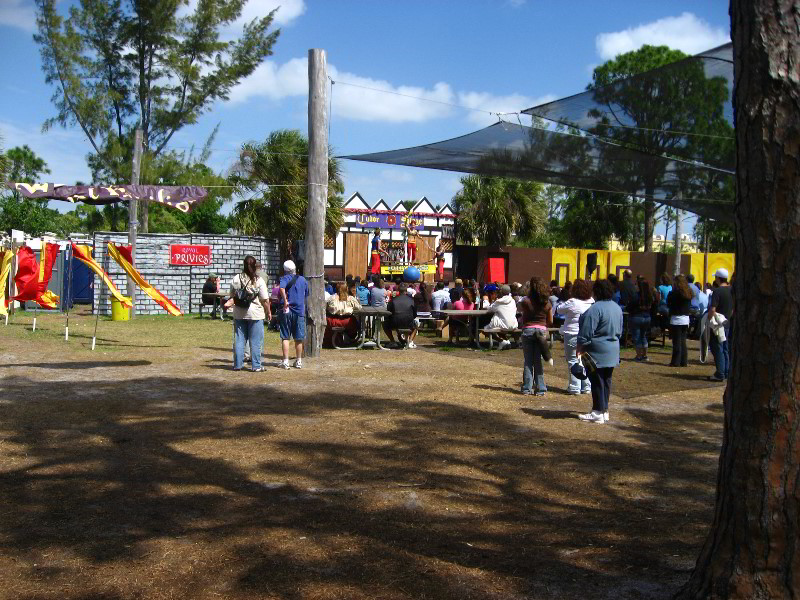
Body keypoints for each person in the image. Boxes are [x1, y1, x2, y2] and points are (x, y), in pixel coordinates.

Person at [576, 279, 623, 423]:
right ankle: (604, 410)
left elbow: (586, 332)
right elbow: (620, 330)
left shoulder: (595, 309)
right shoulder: (617, 307)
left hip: (595, 352)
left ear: (596, 292)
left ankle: (597, 411)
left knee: (596, 381)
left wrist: (580, 347)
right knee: (606, 381)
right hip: (613, 349)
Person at [229, 256, 271, 372]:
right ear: (255, 266)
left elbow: (232, 295)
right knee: (256, 341)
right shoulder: (258, 280)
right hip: (255, 313)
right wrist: (268, 311)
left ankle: (237, 365)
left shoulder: (236, 278)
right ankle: (256, 366)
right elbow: (265, 299)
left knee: (239, 339)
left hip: (239, 313)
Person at [557, 278, 594, 394]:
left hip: (572, 333)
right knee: (585, 360)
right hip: (587, 334)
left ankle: (574, 386)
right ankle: (587, 386)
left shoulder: (572, 301)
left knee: (573, 360)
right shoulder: (591, 301)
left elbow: (559, 310)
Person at [518, 277, 553, 396]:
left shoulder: (526, 301)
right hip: (541, 331)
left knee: (528, 361)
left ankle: (527, 388)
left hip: (528, 330)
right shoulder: (547, 303)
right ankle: (541, 388)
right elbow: (550, 320)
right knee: (538, 360)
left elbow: (523, 315)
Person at [278, 259, 308, 369]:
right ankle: (298, 360)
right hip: (299, 311)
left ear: (285, 270)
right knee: (298, 338)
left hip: (287, 310)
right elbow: (306, 294)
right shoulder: (303, 280)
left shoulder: (284, 278)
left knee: (285, 336)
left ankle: (285, 361)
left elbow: (281, 288)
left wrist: (285, 300)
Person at [708, 268, 733, 381]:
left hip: (717, 323)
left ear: (718, 278)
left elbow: (713, 309)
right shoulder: (732, 290)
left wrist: (708, 320)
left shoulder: (717, 291)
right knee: (725, 348)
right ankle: (727, 371)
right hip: (727, 322)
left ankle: (720, 373)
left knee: (717, 348)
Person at [667, 274, 693, 367]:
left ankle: (675, 361)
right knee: (683, 341)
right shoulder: (689, 292)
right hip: (686, 319)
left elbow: (669, 303)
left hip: (676, 319)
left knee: (676, 342)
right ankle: (683, 361)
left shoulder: (674, 293)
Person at [628, 278, 656, 362]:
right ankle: (645, 355)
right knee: (643, 336)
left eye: (636, 284)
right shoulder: (650, 296)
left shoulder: (636, 296)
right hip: (647, 317)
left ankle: (638, 355)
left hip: (636, 317)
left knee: (637, 337)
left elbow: (629, 307)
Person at [325, 282, 361, 346]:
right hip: (347, 322)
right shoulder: (351, 299)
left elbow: (325, 308)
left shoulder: (331, 298)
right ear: (347, 289)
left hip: (333, 321)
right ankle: (350, 338)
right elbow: (359, 308)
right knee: (355, 321)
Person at [384, 282, 418, 348]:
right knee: (416, 324)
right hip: (409, 323)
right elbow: (415, 314)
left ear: (398, 291)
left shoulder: (393, 300)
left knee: (385, 324)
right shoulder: (412, 300)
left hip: (394, 323)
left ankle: (392, 341)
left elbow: (388, 312)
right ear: (406, 291)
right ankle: (410, 341)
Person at [485, 284, 518, 349]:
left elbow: (490, 309)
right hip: (514, 325)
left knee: (485, 329)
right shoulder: (513, 301)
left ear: (501, 292)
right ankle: (506, 341)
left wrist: (487, 302)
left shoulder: (499, 301)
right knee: (498, 325)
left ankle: (501, 341)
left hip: (503, 325)